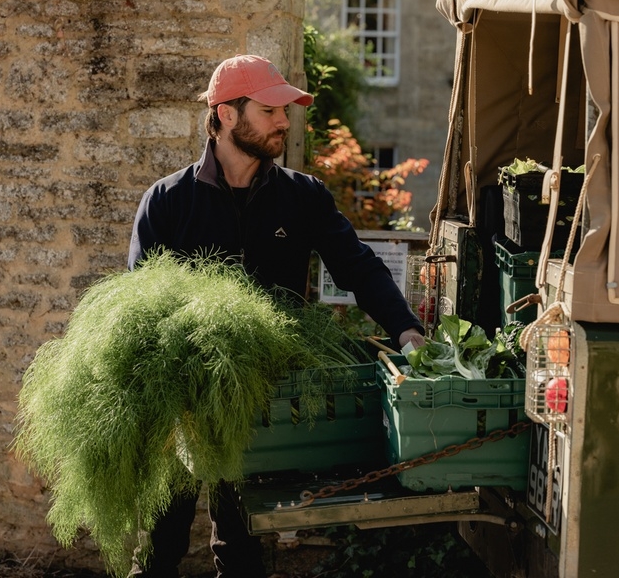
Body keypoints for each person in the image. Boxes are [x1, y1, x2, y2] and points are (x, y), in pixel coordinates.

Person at [126, 54, 426, 578]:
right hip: (181, 401)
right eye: (270, 111)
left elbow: (359, 268)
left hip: (262, 401)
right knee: (161, 544)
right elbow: (138, 309)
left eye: (285, 111)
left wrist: (407, 330)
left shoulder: (302, 196)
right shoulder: (168, 202)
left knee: (242, 551)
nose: (284, 123)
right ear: (224, 114)